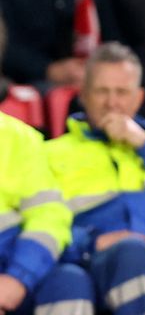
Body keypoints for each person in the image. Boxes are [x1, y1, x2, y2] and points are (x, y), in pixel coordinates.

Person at [44, 42, 145, 315]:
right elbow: (36, 227)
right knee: (133, 253)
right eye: (102, 91)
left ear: (139, 98)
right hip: (103, 264)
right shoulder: (50, 154)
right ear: (83, 95)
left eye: (122, 92)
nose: (112, 103)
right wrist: (89, 243)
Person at [0, 112, 96, 315]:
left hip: (11, 265)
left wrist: (19, 276)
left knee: (68, 281)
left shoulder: (17, 136)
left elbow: (49, 217)